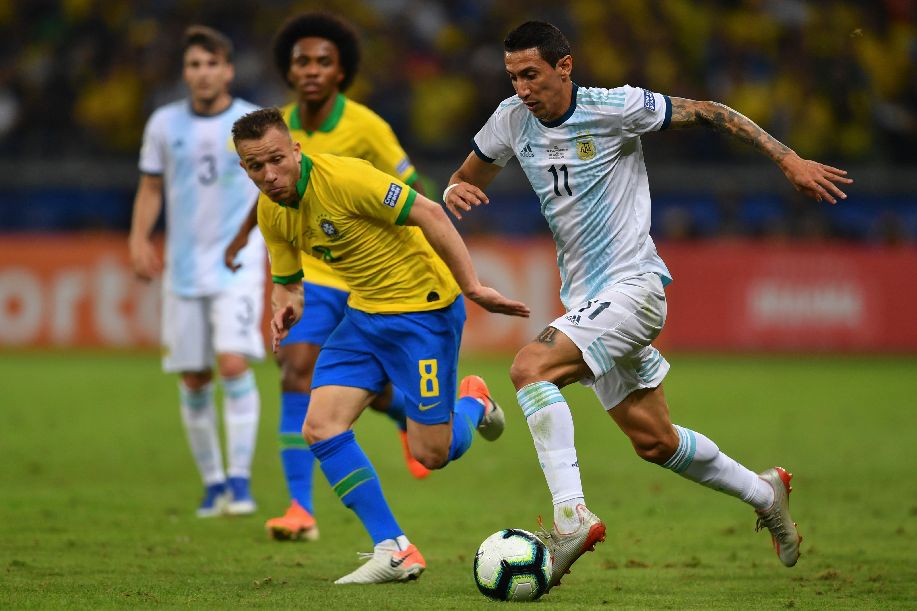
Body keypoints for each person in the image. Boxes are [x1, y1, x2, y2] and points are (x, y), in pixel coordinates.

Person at [444, 21, 853, 590]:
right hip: (587, 298)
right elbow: (468, 176)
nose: (522, 88)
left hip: (634, 289)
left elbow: (711, 112)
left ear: (564, 67)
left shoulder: (616, 108)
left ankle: (571, 519)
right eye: (513, 77)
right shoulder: (511, 120)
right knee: (655, 441)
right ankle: (764, 492)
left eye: (531, 74)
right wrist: (455, 189)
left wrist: (787, 160)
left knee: (529, 368)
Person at [231, 107, 530, 584]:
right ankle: (394, 549)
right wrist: (284, 306)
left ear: (296, 150)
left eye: (276, 160)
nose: (268, 175)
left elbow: (430, 212)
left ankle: (473, 402)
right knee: (320, 427)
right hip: (363, 318)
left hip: (423, 315)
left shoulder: (346, 179)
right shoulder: (272, 211)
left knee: (432, 454)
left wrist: (472, 286)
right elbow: (287, 282)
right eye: (254, 166)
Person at [222, 12, 430, 543]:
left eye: (323, 61)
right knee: (295, 369)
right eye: (301, 61)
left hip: (367, 273)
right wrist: (243, 236)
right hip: (310, 269)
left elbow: (411, 189)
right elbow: (272, 192)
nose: (311, 70)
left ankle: (402, 413)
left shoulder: (367, 127)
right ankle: (300, 507)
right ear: (288, 70)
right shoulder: (275, 127)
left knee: (356, 387)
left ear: (341, 71)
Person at [128, 26, 265, 518]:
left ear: (228, 70)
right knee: (194, 377)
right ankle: (213, 484)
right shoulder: (164, 124)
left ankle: (240, 481)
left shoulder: (252, 123)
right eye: (194, 65)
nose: (203, 73)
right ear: (185, 73)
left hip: (238, 262)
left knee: (232, 364)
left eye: (211, 64)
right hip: (184, 268)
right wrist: (139, 238)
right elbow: (150, 188)